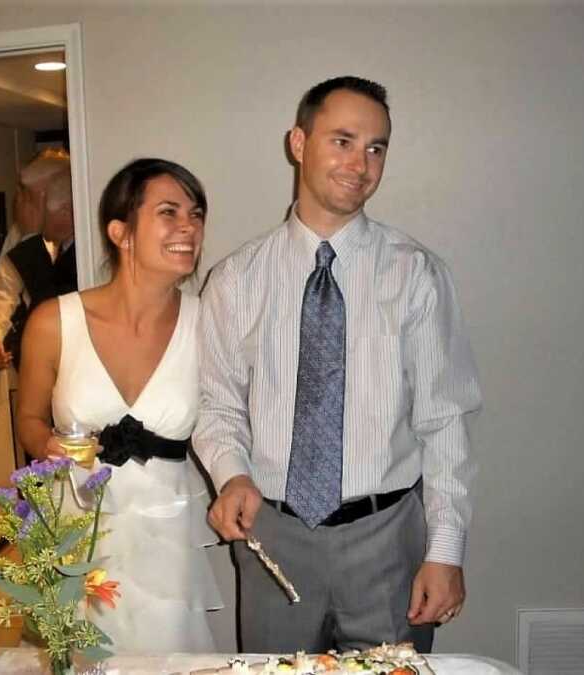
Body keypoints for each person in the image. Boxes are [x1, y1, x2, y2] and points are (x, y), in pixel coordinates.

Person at [194, 76, 482, 653]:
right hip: (272, 539)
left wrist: (445, 552)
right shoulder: (236, 279)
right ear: (298, 143)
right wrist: (233, 475)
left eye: (376, 148)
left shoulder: (417, 274)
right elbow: (217, 403)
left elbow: (445, 421)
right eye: (343, 140)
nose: (361, 163)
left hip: (388, 540)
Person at [16, 158, 222, 653]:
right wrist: (47, 444)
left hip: (167, 530)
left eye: (195, 215)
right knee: (78, 655)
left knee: (167, 654)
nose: (188, 227)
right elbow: (27, 419)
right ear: (120, 231)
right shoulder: (53, 320)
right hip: (76, 522)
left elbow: (228, 420)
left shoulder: (210, 322)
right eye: (169, 212)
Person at [0, 149, 75, 369]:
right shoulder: (21, 235)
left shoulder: (84, 246)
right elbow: (6, 287)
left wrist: (31, 234)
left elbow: (50, 297)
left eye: (30, 199)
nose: (22, 207)